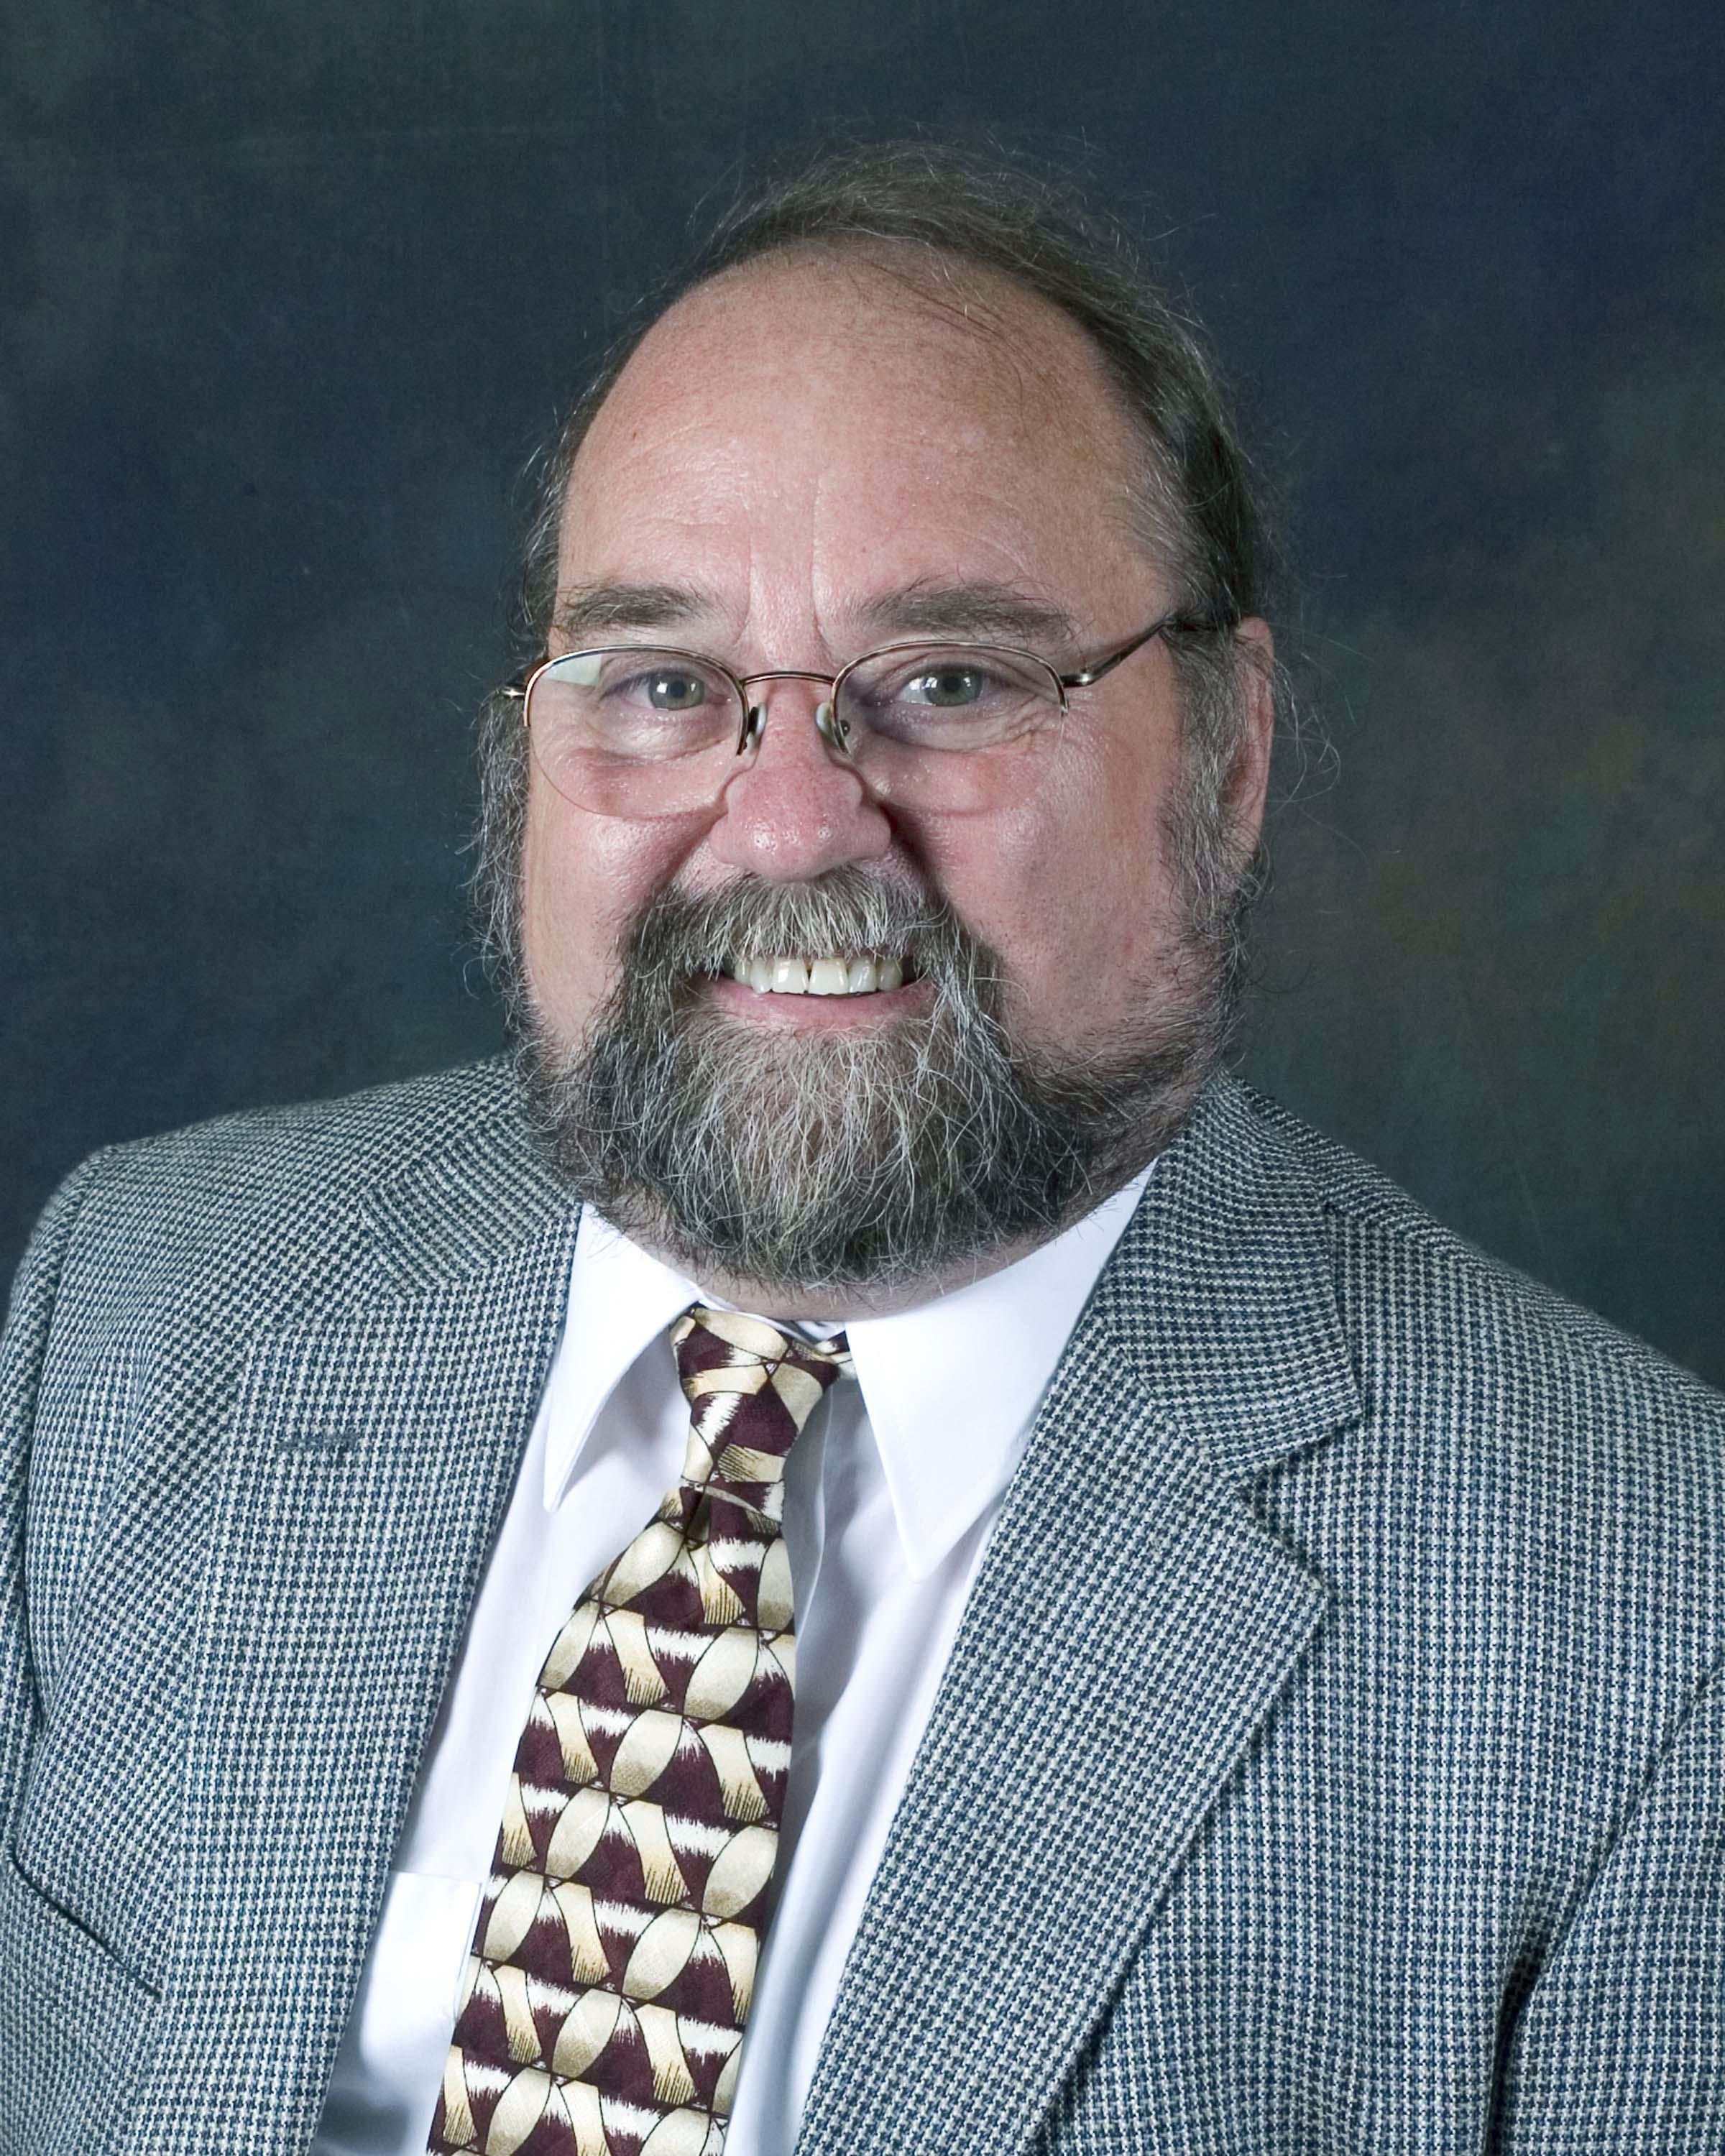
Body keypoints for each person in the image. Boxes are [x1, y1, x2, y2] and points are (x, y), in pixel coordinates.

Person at [2, 143, 1721, 2156]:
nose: (797, 825)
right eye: (662, 685)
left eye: (953, 683)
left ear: (1229, 761)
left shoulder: (1648, 1630)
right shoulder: (134, 1307)